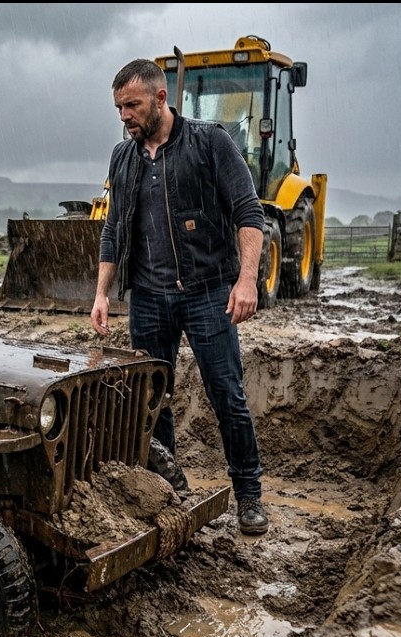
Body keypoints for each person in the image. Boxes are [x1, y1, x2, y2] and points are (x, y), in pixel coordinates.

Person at [89, 58, 269, 535]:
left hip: (208, 293)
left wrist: (246, 280)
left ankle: (248, 494)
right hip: (148, 298)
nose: (124, 116)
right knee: (152, 400)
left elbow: (250, 214)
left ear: (161, 98)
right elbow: (113, 229)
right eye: (118, 108)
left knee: (226, 395)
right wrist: (102, 293)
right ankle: (169, 492)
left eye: (132, 105)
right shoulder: (122, 157)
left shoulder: (209, 143)